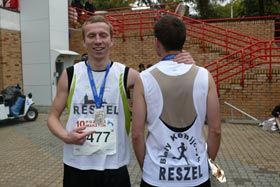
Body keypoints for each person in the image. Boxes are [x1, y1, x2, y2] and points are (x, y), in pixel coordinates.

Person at [47, 15, 196, 187]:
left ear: (111, 41)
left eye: (103, 35)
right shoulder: (70, 75)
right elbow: (52, 117)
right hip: (77, 165)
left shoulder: (127, 75)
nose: (98, 41)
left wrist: (184, 62)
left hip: (114, 167)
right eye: (91, 36)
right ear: (83, 42)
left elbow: (163, 81)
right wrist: (66, 136)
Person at [132, 15, 221, 187]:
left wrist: (149, 168)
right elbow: (215, 130)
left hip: (156, 176)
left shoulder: (144, 78)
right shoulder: (204, 76)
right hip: (196, 176)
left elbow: (137, 135)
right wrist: (206, 164)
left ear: (157, 42)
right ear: (183, 40)